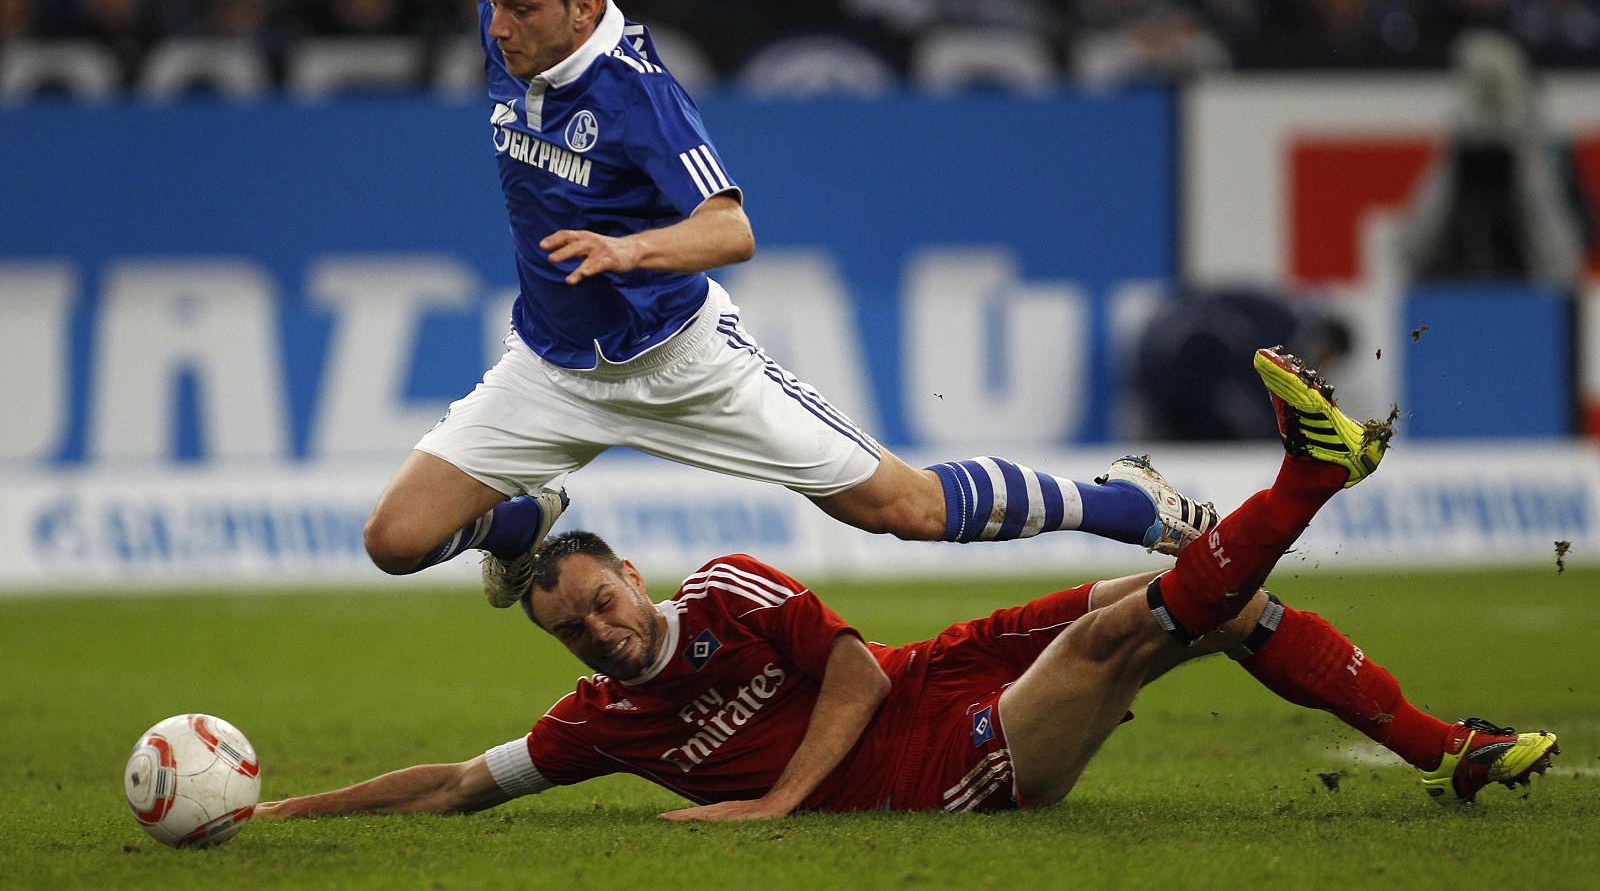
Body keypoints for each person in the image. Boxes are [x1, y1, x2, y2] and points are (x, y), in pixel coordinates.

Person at [335, 0, 1221, 608]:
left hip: (680, 364)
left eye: (518, 10)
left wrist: (627, 251)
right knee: (394, 541)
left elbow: (732, 229)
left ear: (585, 8)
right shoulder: (523, 33)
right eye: (494, 8)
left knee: (901, 507)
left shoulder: (636, 95)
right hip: (552, 368)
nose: (497, 29)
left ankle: (1122, 502)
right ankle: (525, 524)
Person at [255, 348, 1558, 821]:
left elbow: (861, 668)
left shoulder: (726, 591)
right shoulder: (597, 727)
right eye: (576, 633)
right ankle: (1310, 480)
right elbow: (452, 785)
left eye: (599, 601)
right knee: (1151, 627)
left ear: (628, 571)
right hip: (948, 772)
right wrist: (286, 816)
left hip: (945, 676)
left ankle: (1445, 751)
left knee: (1235, 614)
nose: (601, 633)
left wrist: (775, 806)